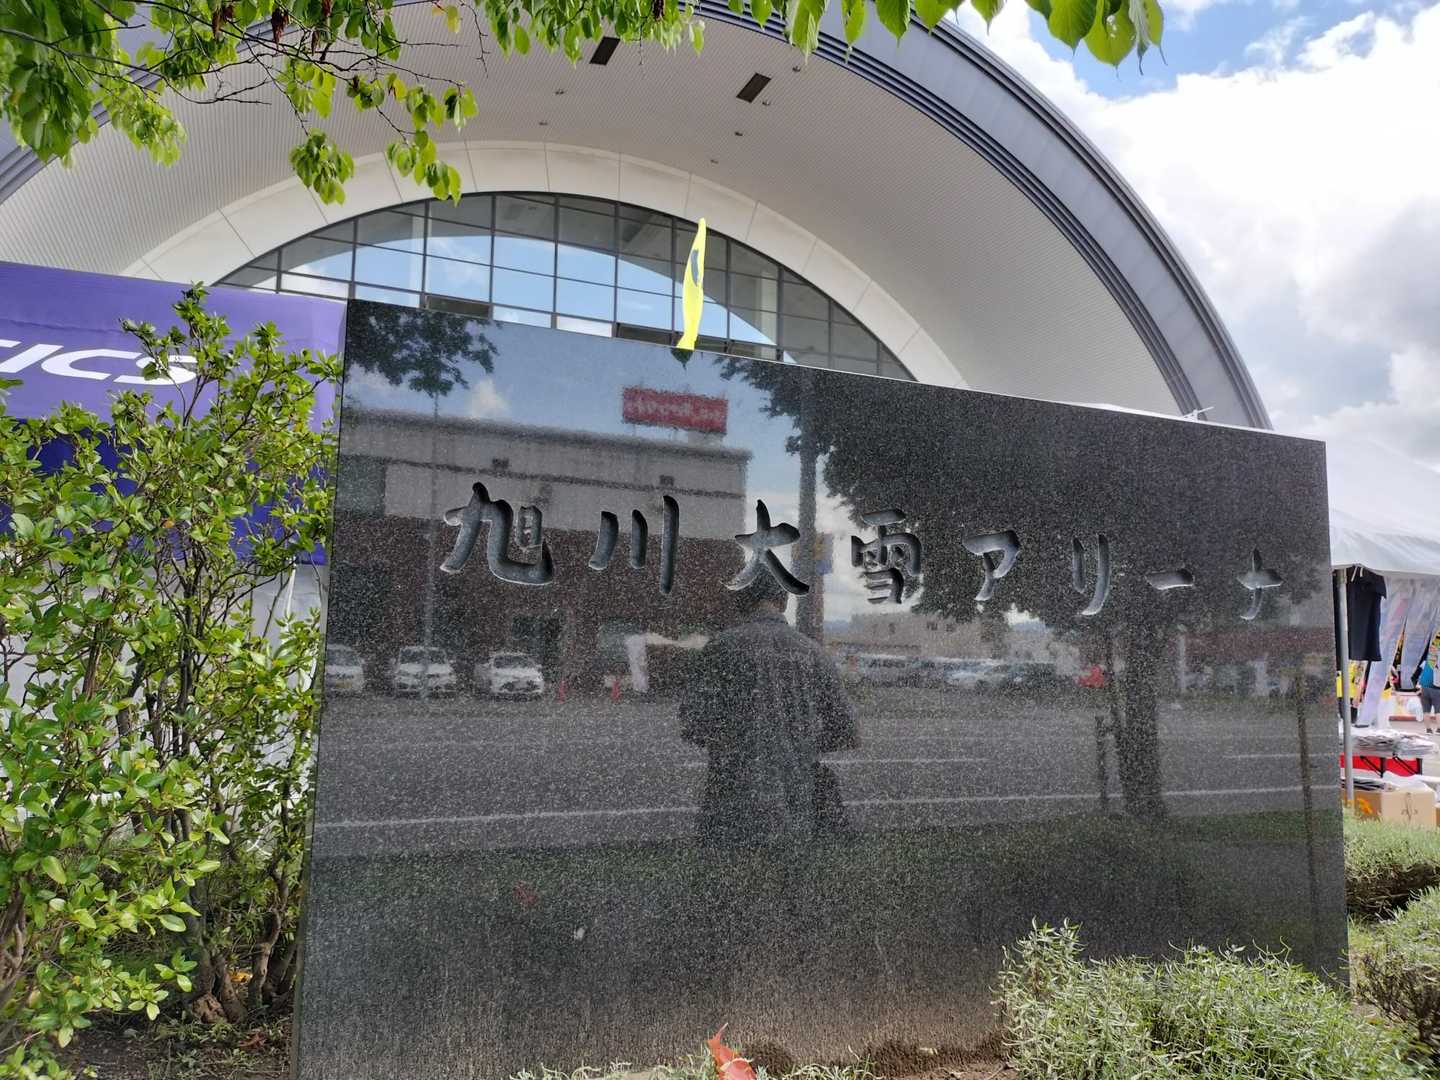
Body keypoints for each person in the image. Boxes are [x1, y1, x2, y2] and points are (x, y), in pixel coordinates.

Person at [679, 572, 859, 845]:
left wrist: (742, 741)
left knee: (728, 870)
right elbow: (848, 731)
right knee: (790, 869)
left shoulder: (721, 648)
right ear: (783, 601)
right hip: (798, 811)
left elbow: (694, 725)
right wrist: (798, 744)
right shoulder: (813, 653)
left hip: (730, 812)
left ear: (740, 600)